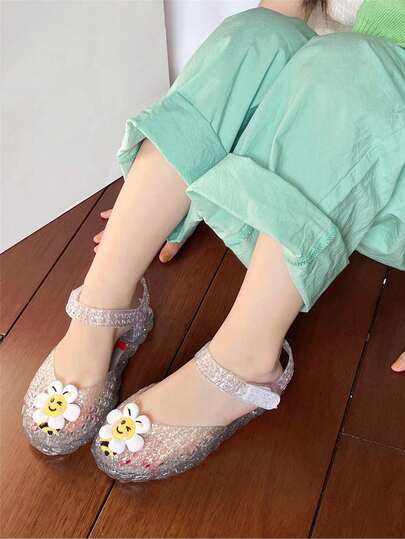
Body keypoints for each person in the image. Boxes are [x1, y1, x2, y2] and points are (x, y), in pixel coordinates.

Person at [22, 0, 405, 481]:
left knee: (354, 66)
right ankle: (104, 302)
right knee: (258, 35)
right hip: (324, 134)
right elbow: (280, 16)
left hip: (382, 169)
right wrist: (188, 185)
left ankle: (246, 360)